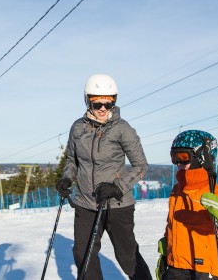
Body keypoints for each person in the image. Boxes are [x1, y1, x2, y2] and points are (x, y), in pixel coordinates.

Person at [56, 74, 152, 279]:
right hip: (86, 203)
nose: (102, 109)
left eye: (108, 104)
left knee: (127, 256)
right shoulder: (78, 128)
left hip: (117, 204)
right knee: (84, 254)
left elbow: (140, 165)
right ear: (87, 100)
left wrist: (117, 187)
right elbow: (72, 161)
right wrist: (67, 178)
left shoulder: (122, 129)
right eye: (97, 103)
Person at [156, 130, 218, 280]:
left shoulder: (213, 192)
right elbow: (171, 224)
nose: (178, 163)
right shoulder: (177, 190)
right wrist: (166, 250)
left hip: (202, 268)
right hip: (176, 265)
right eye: (174, 157)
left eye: (183, 157)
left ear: (201, 158)